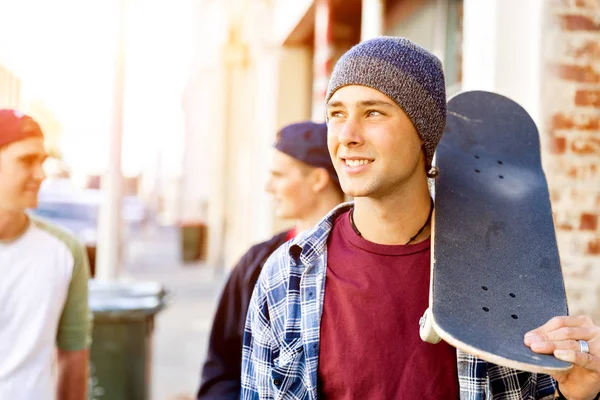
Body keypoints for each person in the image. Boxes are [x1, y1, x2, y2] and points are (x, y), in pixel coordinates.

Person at [240, 37, 600, 399]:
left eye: (373, 113)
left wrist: (581, 395)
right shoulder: (288, 275)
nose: (346, 136)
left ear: (423, 132)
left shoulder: (505, 267)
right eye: (337, 114)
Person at [197, 121, 345, 399]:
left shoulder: (360, 259)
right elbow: (221, 368)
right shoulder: (257, 262)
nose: (268, 187)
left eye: (278, 175)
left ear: (317, 180)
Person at [0, 109, 92, 400]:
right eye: (26, 161)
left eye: (42, 161)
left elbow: (74, 357)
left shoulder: (65, 251)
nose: (40, 174)